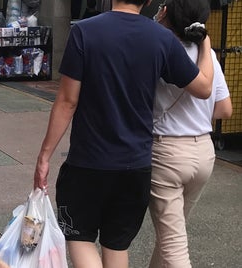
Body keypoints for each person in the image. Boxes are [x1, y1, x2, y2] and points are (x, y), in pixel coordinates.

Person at [32, 0, 215, 267]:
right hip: (136, 166)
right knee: (116, 244)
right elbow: (204, 88)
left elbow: (67, 101)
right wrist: (205, 43)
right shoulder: (162, 38)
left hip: (88, 162)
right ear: (149, 1)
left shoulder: (85, 32)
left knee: (80, 237)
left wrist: (44, 156)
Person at [149, 0, 232, 267]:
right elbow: (225, 109)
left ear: (166, 15)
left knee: (173, 244)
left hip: (167, 153)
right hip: (204, 154)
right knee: (172, 236)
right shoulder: (208, 57)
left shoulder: (157, 50)